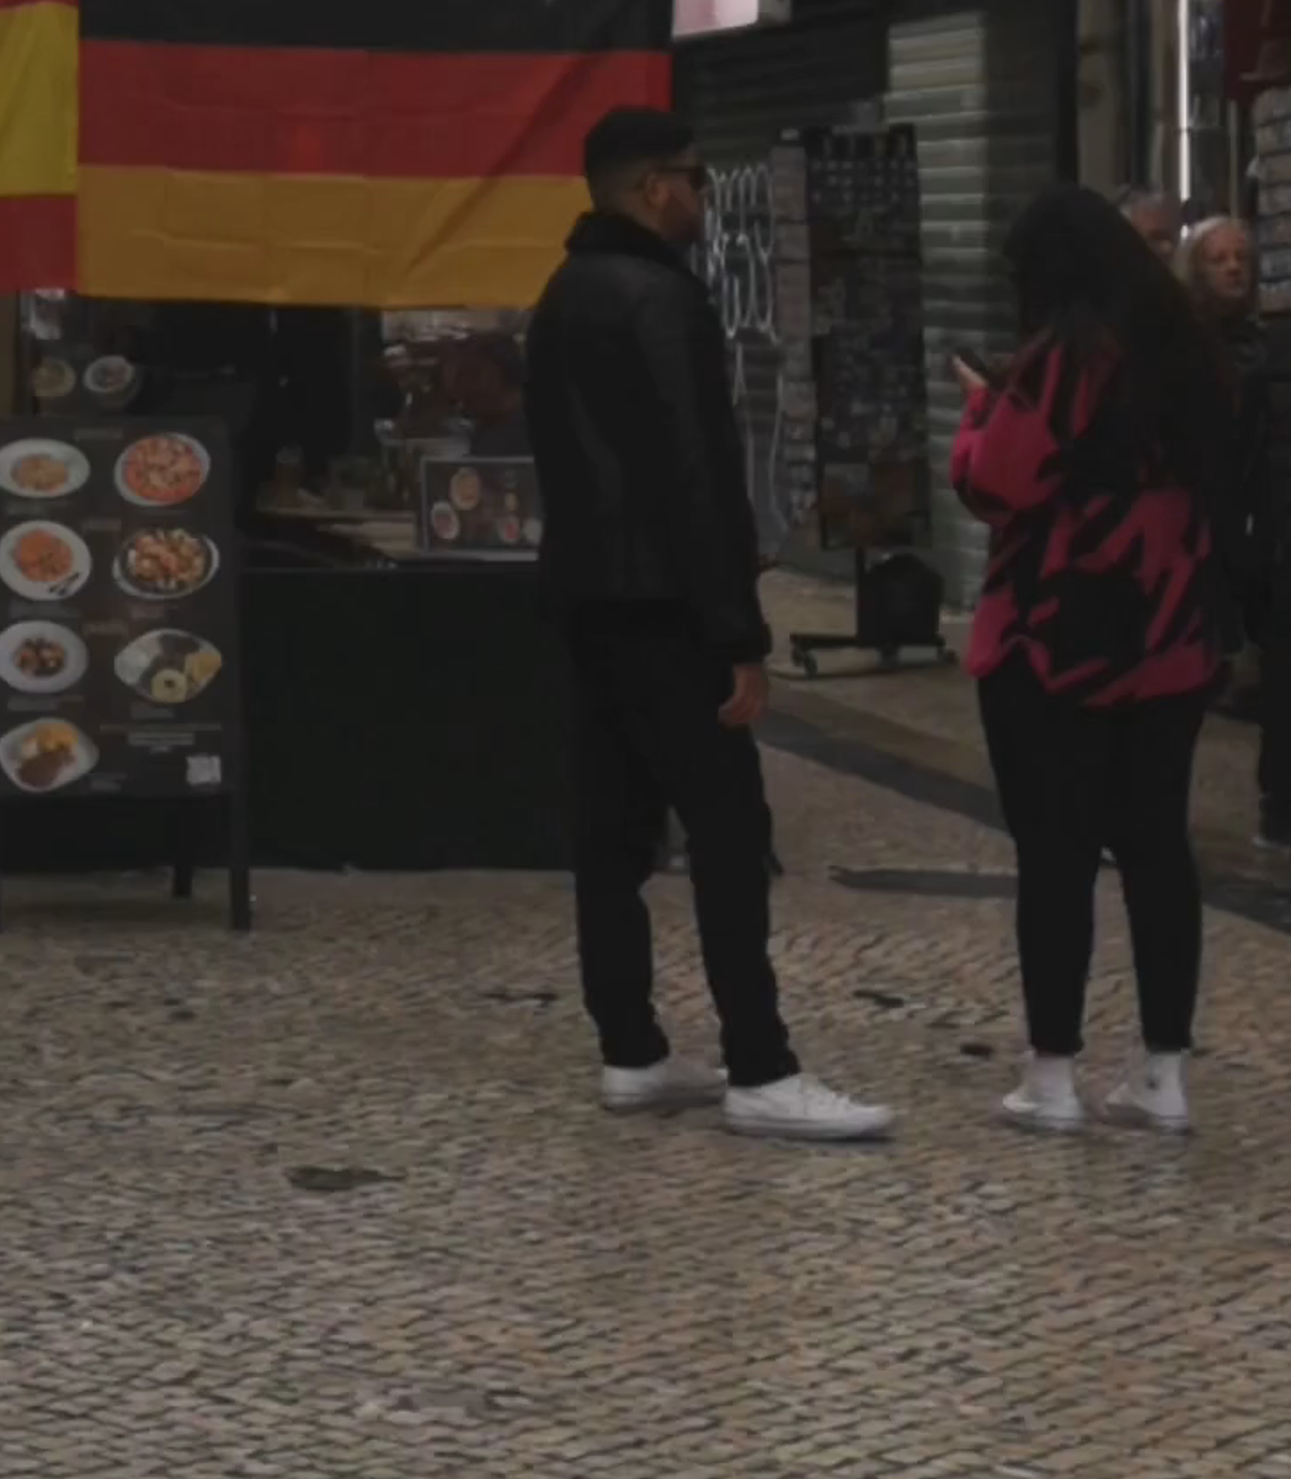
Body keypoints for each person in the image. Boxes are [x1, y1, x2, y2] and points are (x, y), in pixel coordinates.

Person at [521, 101, 894, 1145]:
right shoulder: (662, 300)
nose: (702, 193)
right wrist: (738, 633)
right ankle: (762, 1065)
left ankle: (631, 1048)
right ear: (652, 188)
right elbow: (696, 469)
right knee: (731, 835)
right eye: (693, 175)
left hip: (587, 602)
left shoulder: (558, 296)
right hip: (670, 612)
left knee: (610, 836)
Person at [955, 183, 1233, 1135]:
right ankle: (1163, 1073)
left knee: (1057, 855)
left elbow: (997, 483)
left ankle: (1053, 1074)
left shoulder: (1065, 358)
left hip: (1055, 644)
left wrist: (979, 412)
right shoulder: (1187, 348)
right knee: (1158, 848)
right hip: (1170, 642)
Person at [1182, 206, 1291, 851]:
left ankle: (1279, 802)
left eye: (1241, 259)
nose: (1233, 269)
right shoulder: (1177, 342)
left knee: (1285, 662)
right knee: (1188, 677)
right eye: (1219, 259)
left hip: (1262, 525)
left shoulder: (1268, 342)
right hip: (1199, 527)